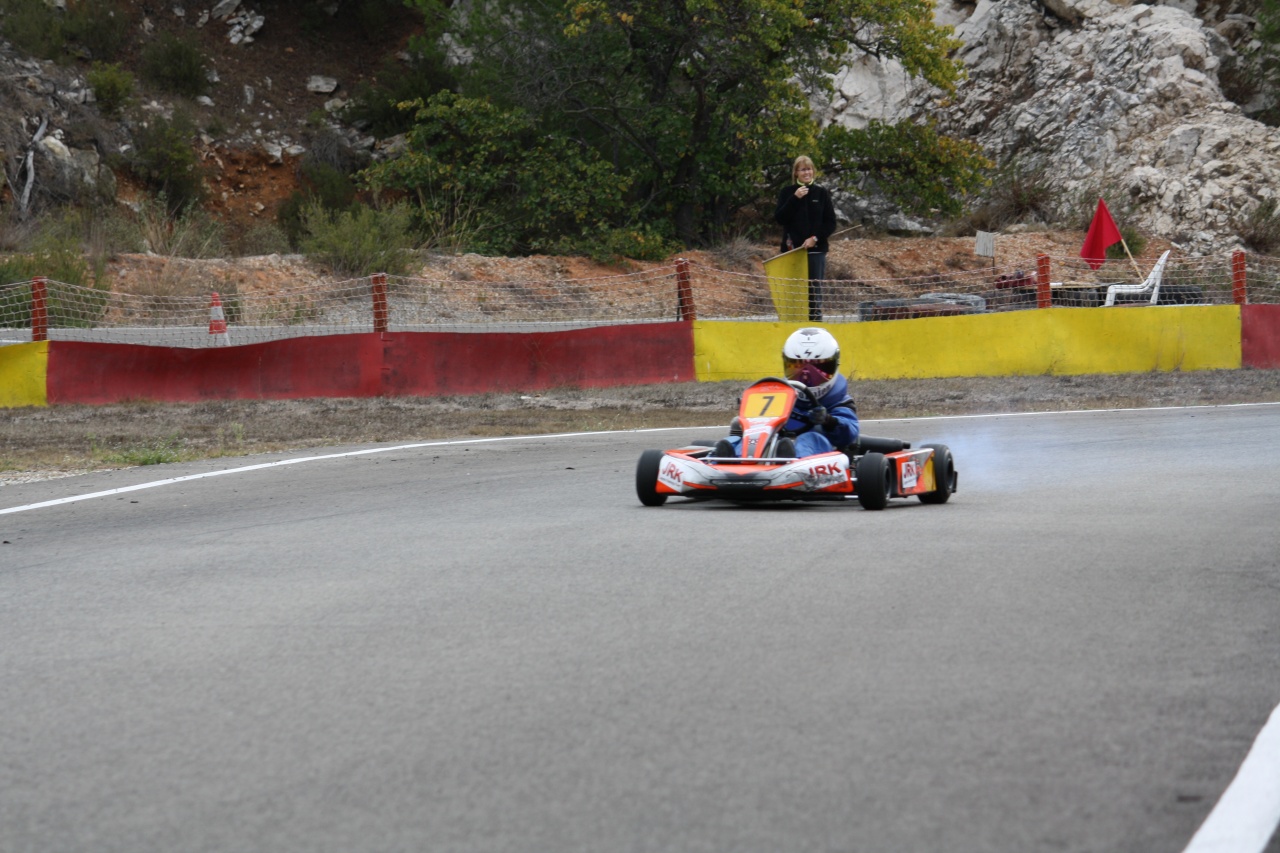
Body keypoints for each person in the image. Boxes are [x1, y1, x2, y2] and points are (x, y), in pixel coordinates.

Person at [712, 327, 859, 459]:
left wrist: (829, 421)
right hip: (778, 445)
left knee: (811, 438)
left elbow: (849, 433)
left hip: (821, 453)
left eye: (817, 369)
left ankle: (792, 458)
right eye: (797, 366)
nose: (806, 376)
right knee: (747, 431)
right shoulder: (782, 395)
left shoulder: (839, 401)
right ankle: (730, 455)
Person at [775, 155, 837, 322]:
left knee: (814, 291)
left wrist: (815, 238)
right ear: (796, 173)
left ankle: (815, 324)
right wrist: (795, 198)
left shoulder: (821, 193)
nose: (807, 172)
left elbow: (831, 223)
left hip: (815, 251)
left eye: (809, 169)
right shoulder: (787, 193)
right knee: (794, 290)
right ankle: (793, 325)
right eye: (803, 169)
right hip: (792, 251)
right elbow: (780, 218)